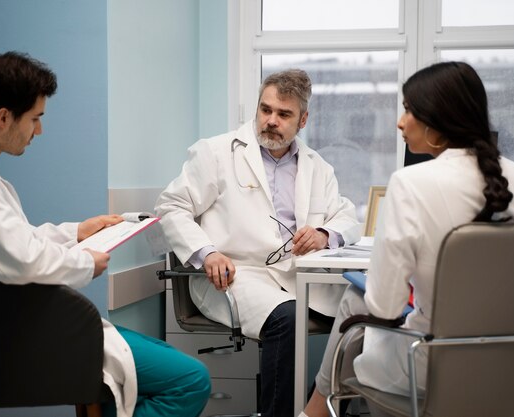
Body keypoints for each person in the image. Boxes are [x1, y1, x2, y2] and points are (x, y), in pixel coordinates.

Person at [0, 51, 211, 417]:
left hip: (17, 331)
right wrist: (85, 262)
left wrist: (77, 232)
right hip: (21, 341)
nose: (38, 131)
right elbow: (22, 260)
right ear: (4, 117)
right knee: (192, 379)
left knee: (164, 361)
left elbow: (10, 241)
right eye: (35, 118)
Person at [300, 61, 514, 417]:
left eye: (409, 109)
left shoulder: (410, 183)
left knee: (359, 308)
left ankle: (311, 413)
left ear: (437, 120)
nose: (400, 121)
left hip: (432, 367)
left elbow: (384, 306)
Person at [155, 68, 361, 417]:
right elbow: (170, 207)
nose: (271, 121)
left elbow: (347, 217)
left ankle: (318, 408)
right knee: (288, 318)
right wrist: (207, 252)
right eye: (265, 110)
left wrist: (325, 234)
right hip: (234, 277)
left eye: (284, 114)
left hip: (295, 277)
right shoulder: (217, 153)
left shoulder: (317, 167)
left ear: (303, 119)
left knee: (365, 311)